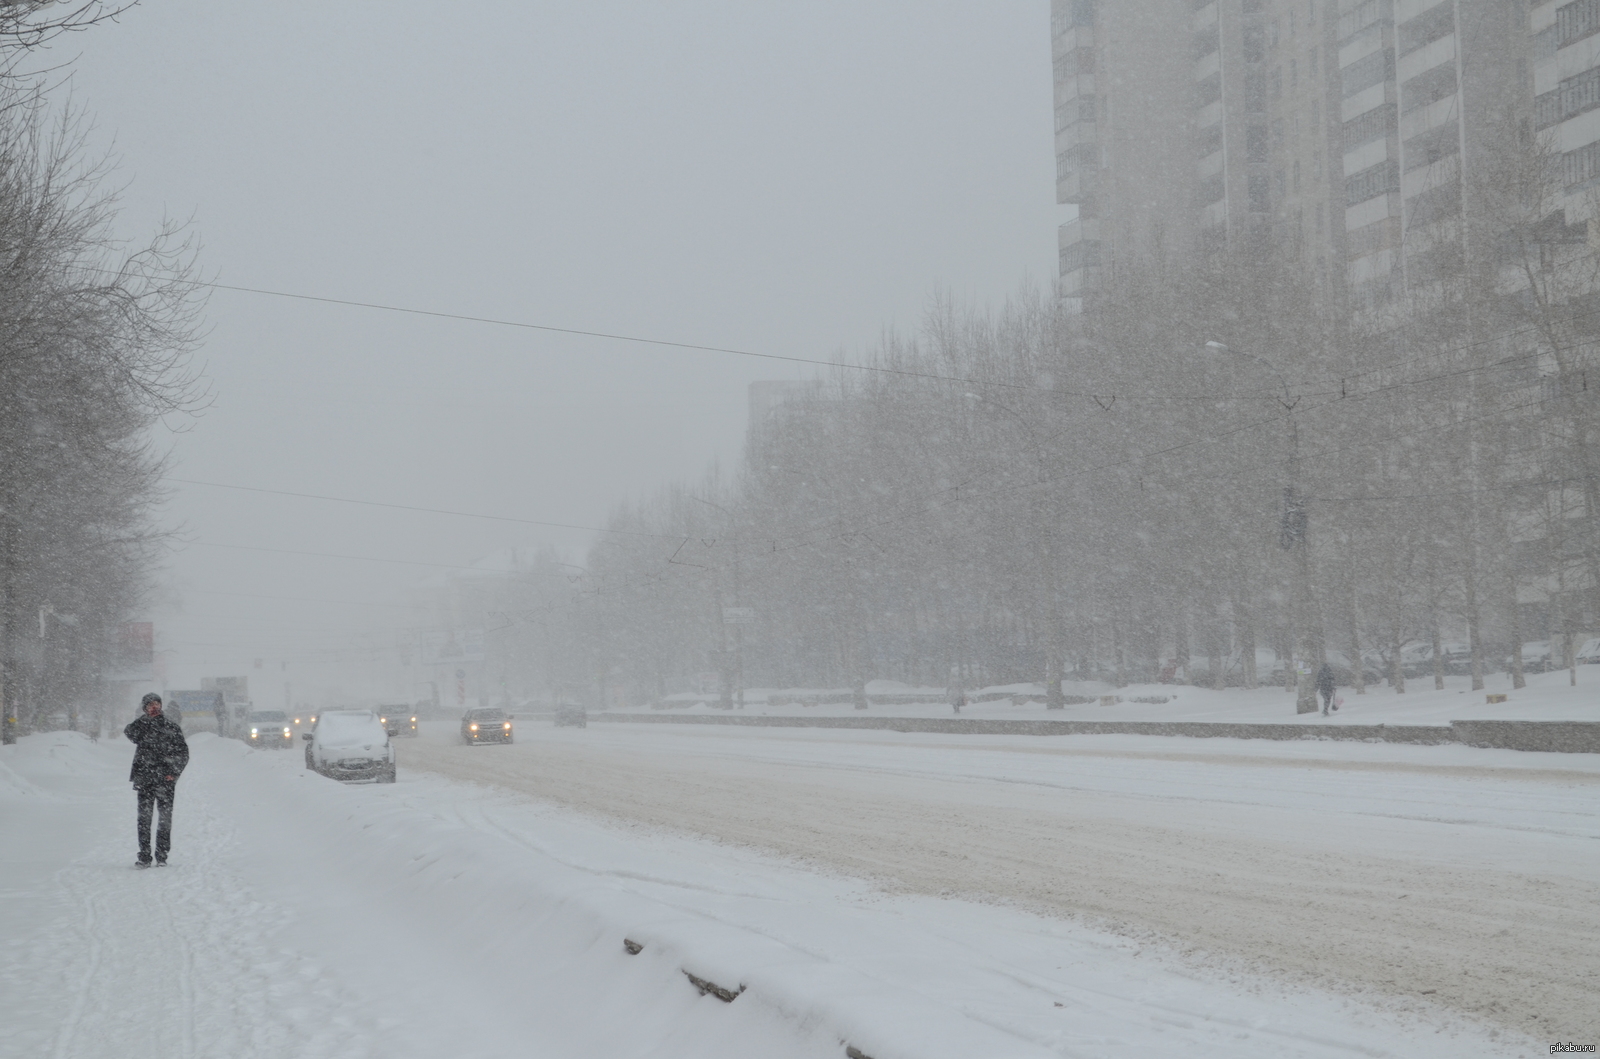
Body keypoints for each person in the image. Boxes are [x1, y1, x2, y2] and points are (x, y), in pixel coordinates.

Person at [124, 693, 189, 868]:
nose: (154, 707)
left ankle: (162, 855)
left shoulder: (171, 727)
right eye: (150, 705)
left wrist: (174, 773)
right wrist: (144, 719)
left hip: (165, 781)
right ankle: (144, 856)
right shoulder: (141, 727)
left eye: (156, 704)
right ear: (145, 708)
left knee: (164, 819)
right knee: (144, 820)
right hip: (144, 779)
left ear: (161, 706)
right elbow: (129, 732)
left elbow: (183, 753)